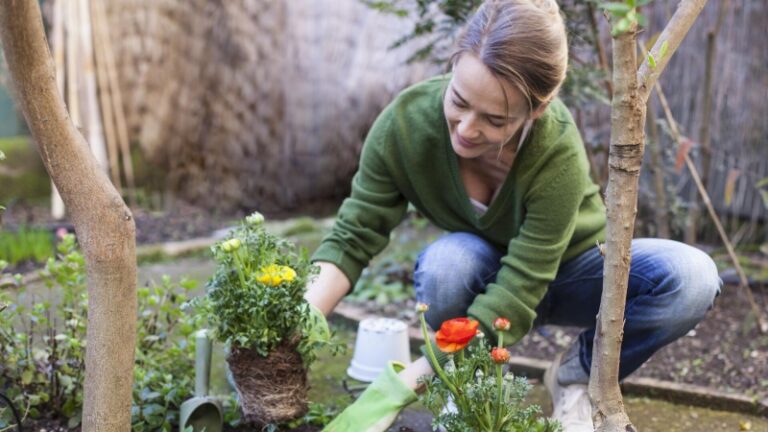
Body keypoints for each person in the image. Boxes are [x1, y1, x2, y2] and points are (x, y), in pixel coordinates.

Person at [304, 0, 721, 430]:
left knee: (693, 278)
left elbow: (521, 286)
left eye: (494, 119)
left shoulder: (554, 148)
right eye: (459, 101)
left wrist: (404, 383)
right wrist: (298, 321)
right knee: (449, 264)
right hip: (484, 275)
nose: (466, 129)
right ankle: (472, 382)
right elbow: (354, 235)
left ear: (536, 110)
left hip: (572, 272)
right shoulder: (405, 128)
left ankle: (574, 376)